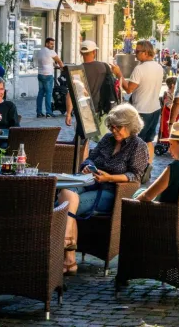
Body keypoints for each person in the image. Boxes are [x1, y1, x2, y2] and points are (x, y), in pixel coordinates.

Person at [57, 104, 149, 275]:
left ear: (130, 126)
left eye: (118, 127)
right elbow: (90, 159)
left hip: (112, 191)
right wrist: (88, 166)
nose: (114, 130)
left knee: (64, 205)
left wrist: (109, 178)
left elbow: (135, 175)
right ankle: (69, 254)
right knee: (66, 193)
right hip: (91, 181)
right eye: (111, 126)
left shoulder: (138, 146)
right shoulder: (107, 139)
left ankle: (68, 256)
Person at [121, 40, 164, 168]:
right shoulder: (159, 66)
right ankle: (147, 167)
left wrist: (119, 74)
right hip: (155, 108)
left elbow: (129, 89)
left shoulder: (139, 69)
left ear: (146, 52)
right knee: (149, 140)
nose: (135, 54)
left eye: (137, 51)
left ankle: (135, 168)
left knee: (134, 141)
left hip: (141, 110)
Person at [63, 40, 123, 128]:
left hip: (84, 110)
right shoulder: (104, 67)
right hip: (102, 109)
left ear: (81, 53)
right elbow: (113, 86)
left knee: (83, 140)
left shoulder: (76, 71)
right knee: (103, 139)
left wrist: (68, 113)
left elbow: (70, 94)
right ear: (94, 52)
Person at [34, 37, 64, 118]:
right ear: (46, 43)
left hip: (40, 74)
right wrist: (63, 68)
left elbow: (46, 62)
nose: (52, 46)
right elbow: (59, 61)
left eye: (53, 44)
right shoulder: (51, 52)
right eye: (51, 44)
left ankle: (39, 112)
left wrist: (54, 65)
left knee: (40, 93)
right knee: (48, 94)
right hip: (48, 75)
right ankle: (48, 112)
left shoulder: (40, 51)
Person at [159, 76, 177, 141]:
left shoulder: (172, 93)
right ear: (173, 85)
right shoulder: (167, 94)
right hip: (168, 118)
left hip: (171, 117)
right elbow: (169, 105)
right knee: (168, 134)